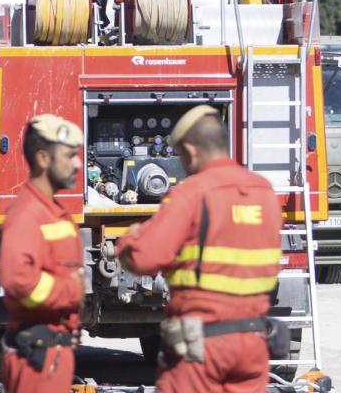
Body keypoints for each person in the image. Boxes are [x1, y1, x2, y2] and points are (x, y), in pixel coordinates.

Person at [116, 105, 283, 393]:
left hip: (203, 347)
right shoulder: (263, 192)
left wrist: (128, 241)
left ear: (191, 151)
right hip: (253, 341)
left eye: (180, 156)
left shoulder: (191, 193)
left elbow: (143, 258)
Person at [0, 114, 85, 393]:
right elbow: (17, 279)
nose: (78, 164)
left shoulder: (52, 212)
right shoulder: (28, 214)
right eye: (69, 155)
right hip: (38, 360)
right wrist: (70, 290)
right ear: (43, 159)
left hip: (52, 356)